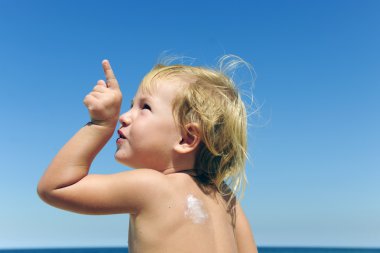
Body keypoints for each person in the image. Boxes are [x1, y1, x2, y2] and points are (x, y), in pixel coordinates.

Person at [37, 55, 258, 253]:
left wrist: (101, 125)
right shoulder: (226, 198)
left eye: (145, 108)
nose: (123, 116)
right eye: (132, 105)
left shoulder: (152, 186)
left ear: (187, 138)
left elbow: (55, 187)